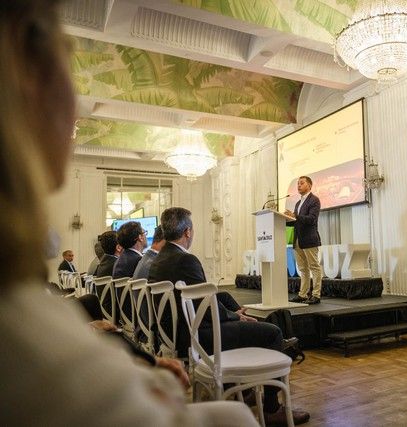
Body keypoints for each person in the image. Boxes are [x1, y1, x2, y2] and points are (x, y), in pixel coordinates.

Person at [0, 2, 257, 424]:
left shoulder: (120, 265)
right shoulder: (31, 343)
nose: (75, 119)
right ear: (32, 82)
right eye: (66, 58)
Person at [148, 207, 310, 426]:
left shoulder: (159, 259)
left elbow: (202, 299)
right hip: (198, 335)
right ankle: (272, 410)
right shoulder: (186, 260)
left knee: (223, 298)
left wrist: (231, 314)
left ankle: (243, 389)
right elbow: (204, 307)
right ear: (187, 232)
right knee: (272, 333)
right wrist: (235, 317)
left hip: (175, 332)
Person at [285, 176, 323, 304]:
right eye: (298, 184)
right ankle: (303, 294)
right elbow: (297, 222)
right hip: (298, 240)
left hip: (309, 238)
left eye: (302, 183)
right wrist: (284, 219)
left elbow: (311, 219)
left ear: (310, 185)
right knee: (303, 269)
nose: (299, 186)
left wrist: (295, 216)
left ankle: (316, 295)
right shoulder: (297, 203)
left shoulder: (314, 200)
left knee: (314, 267)